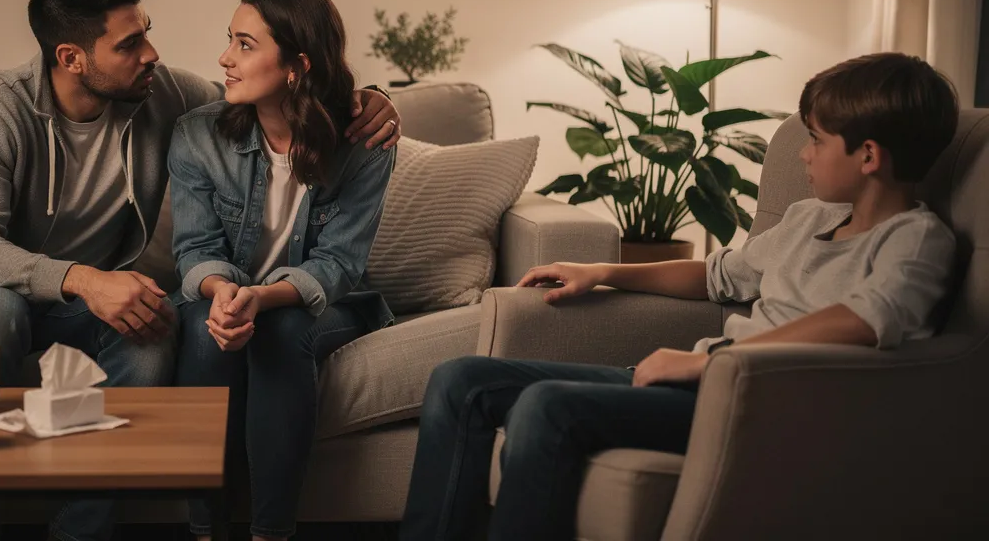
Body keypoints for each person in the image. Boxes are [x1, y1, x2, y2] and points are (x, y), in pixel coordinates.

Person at [0, 0, 403, 541]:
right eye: (130, 43)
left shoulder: (161, 93)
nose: (151, 53)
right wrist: (86, 280)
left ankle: (81, 532)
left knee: (151, 334)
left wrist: (371, 98)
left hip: (87, 302)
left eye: (147, 30)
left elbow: (273, 94)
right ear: (72, 58)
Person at [398, 52, 961, 541]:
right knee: (461, 379)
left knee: (547, 407)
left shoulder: (915, 240)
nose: (803, 155)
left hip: (761, 405)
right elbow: (718, 275)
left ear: (868, 156)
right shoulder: (809, 218)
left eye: (816, 141)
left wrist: (712, 360)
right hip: (708, 382)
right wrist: (602, 270)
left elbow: (865, 320)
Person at [171, 0, 398, 541]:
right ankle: (204, 529)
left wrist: (263, 297)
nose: (225, 57)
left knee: (282, 325)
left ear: (297, 66)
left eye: (245, 44)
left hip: (322, 305)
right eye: (230, 40)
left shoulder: (363, 139)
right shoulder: (198, 133)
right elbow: (194, 251)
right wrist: (224, 294)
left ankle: (271, 533)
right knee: (205, 332)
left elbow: (339, 262)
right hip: (222, 295)